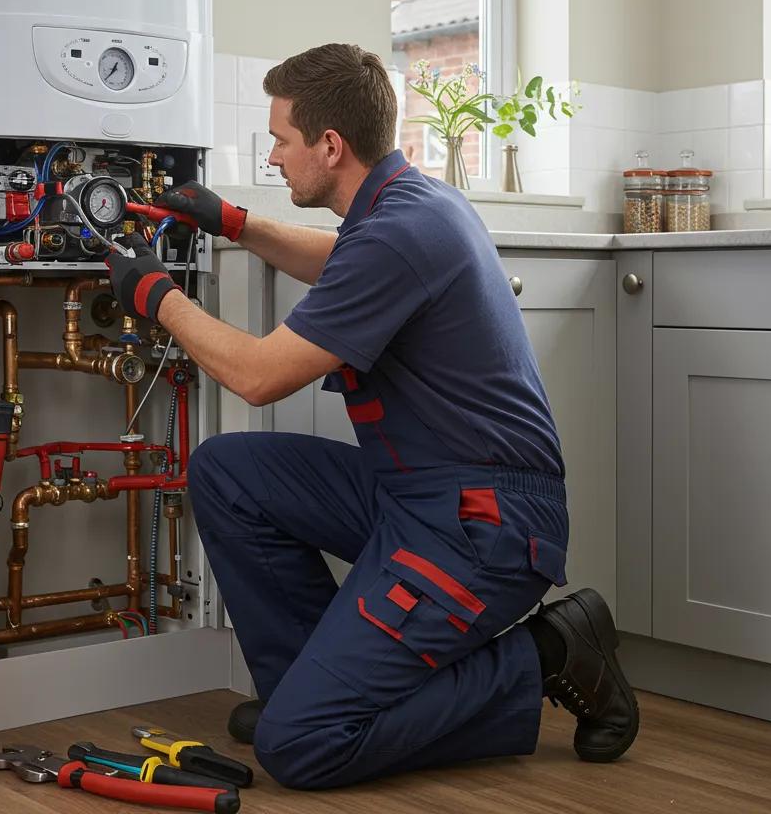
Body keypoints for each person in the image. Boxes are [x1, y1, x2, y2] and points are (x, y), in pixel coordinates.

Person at [105, 43, 639, 790]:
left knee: (300, 748)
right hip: (417, 493)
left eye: (282, 140)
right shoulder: (408, 204)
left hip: (484, 526)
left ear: (331, 145)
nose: (273, 157)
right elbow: (341, 261)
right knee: (228, 472)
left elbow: (258, 377)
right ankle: (306, 692)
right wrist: (235, 223)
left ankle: (547, 654)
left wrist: (156, 296)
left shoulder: (401, 229)